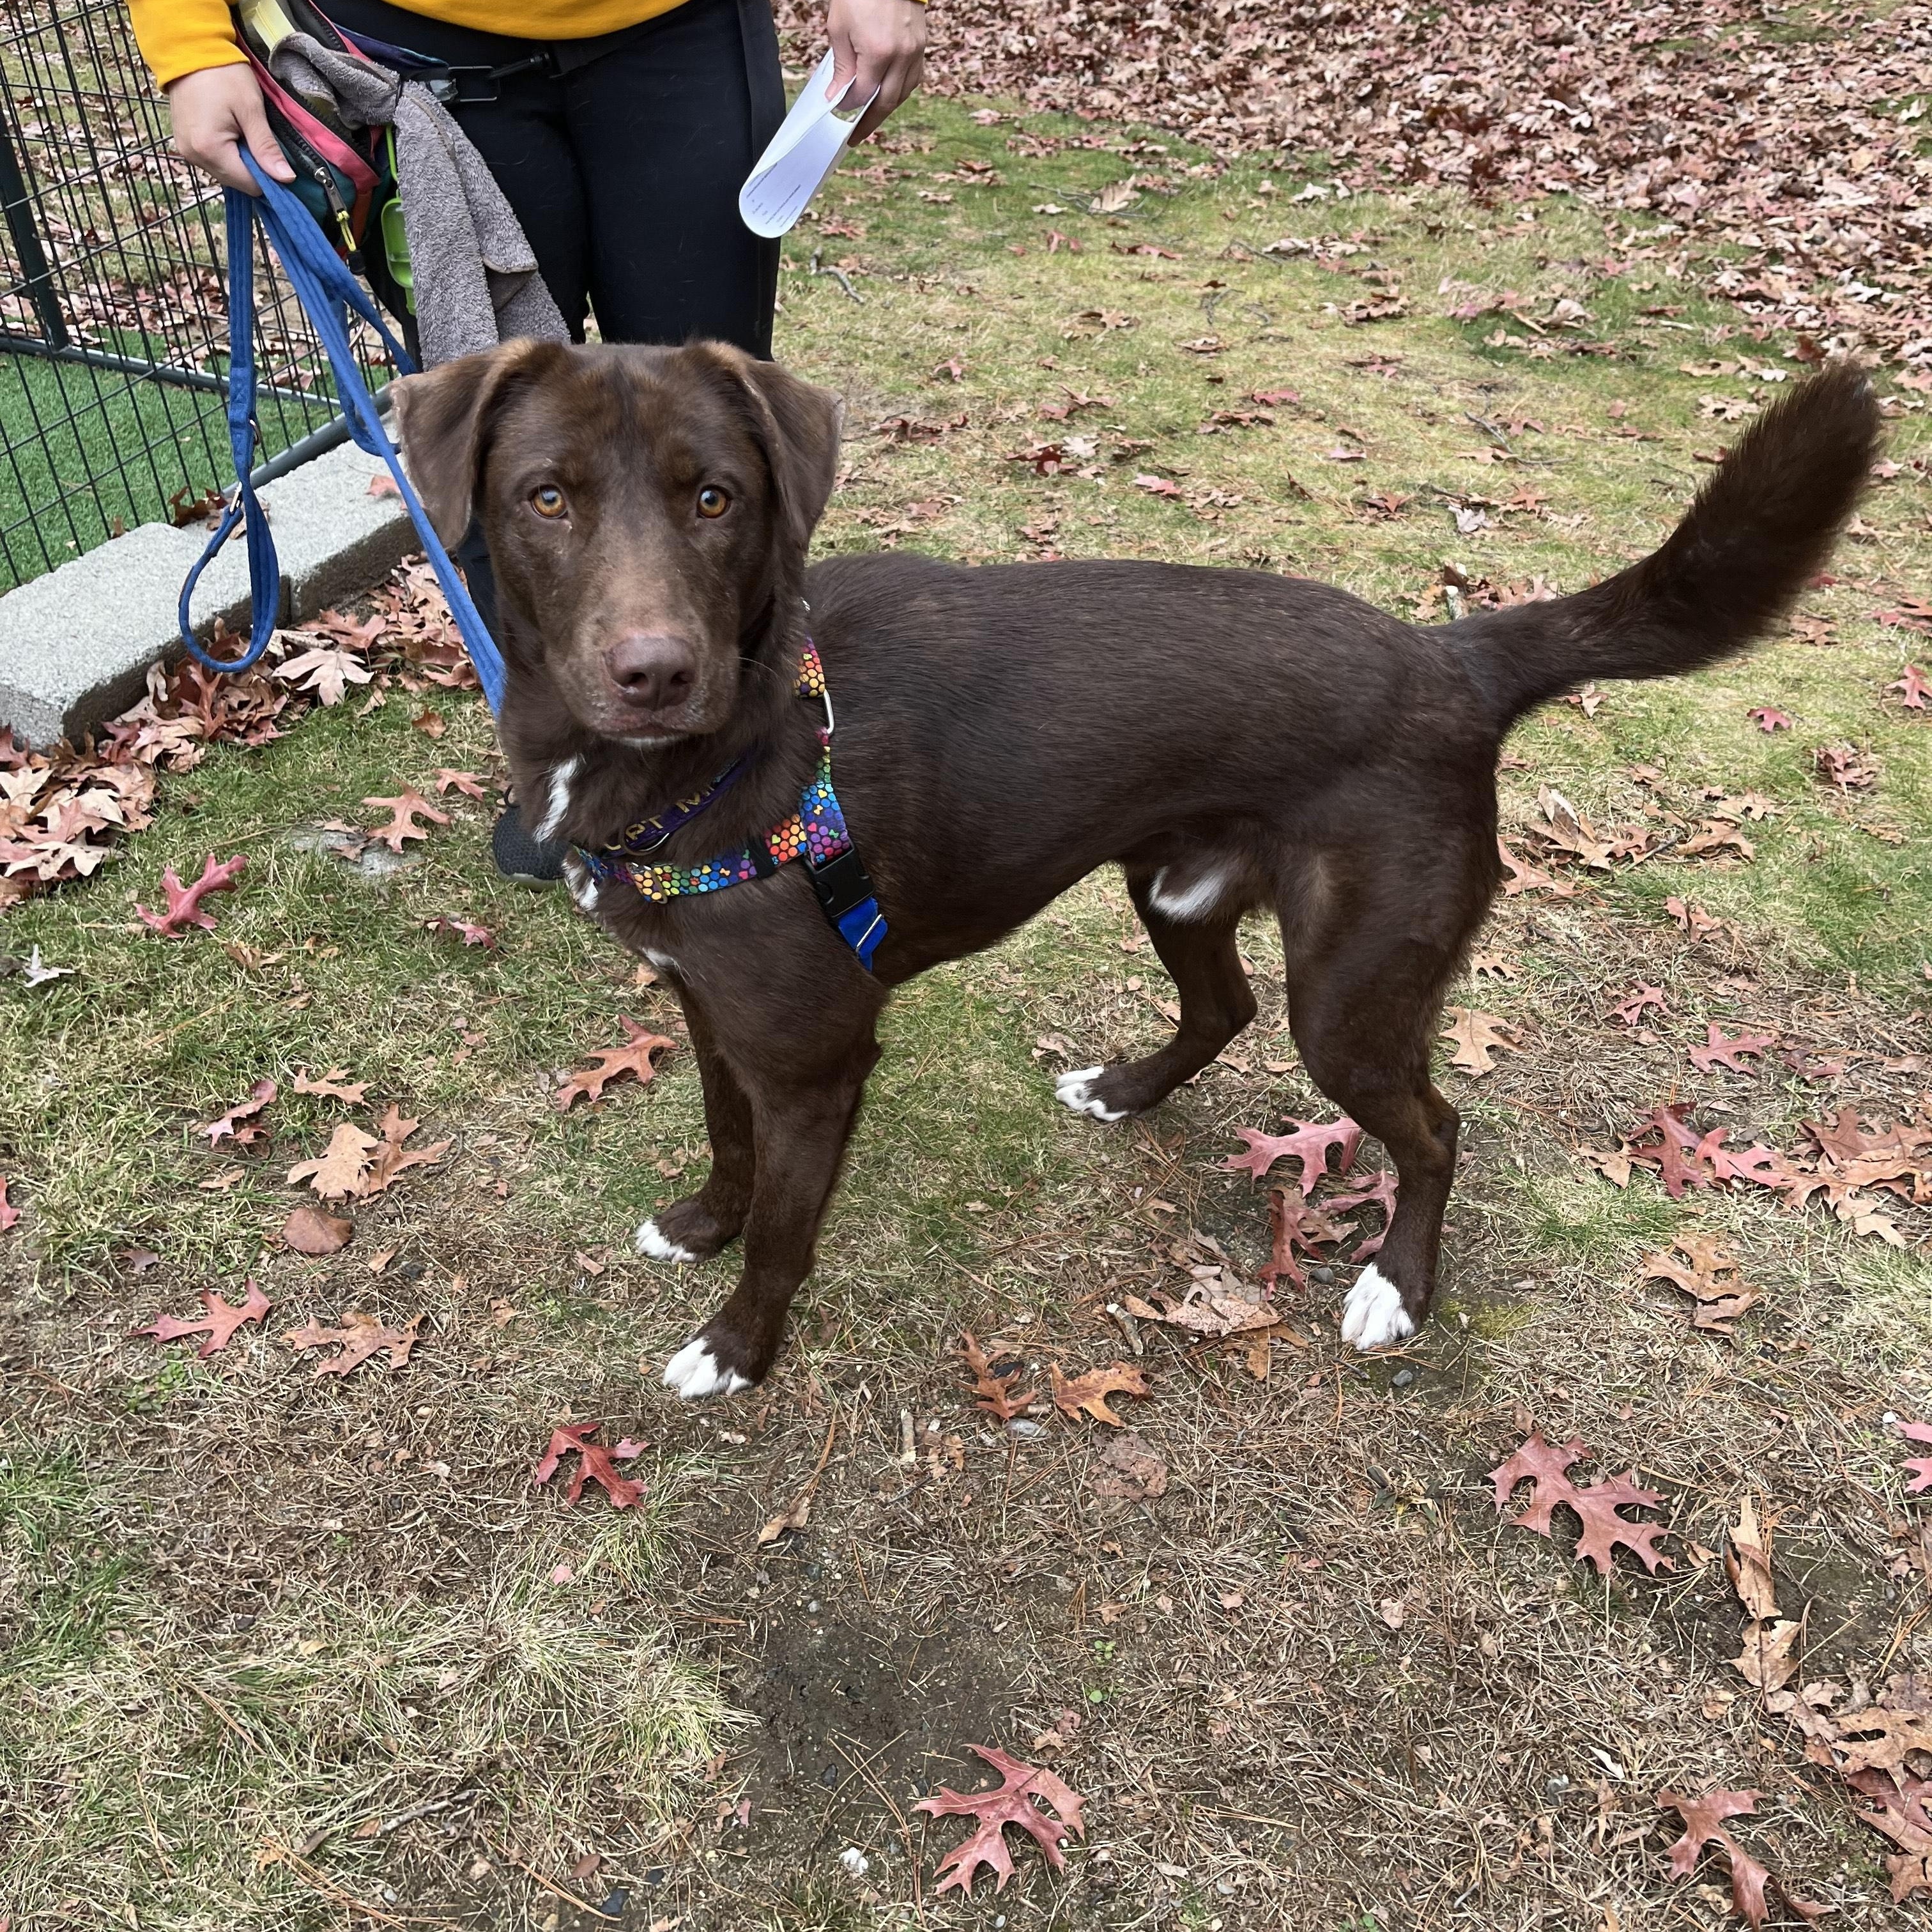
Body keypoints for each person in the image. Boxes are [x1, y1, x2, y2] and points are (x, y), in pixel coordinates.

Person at [130, 0, 926, 879]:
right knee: (511, 458)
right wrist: (190, 41)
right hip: (416, 46)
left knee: (707, 445)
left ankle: (744, 765)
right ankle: (563, 769)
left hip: (680, 29)